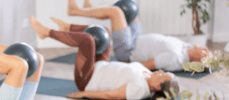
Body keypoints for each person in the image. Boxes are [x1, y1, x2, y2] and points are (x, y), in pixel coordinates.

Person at [30, 16, 180, 100]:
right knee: (105, 33)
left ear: (159, 87)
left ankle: (46, 33)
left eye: (163, 75)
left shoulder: (139, 90)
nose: (160, 71)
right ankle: (68, 27)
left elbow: (111, 95)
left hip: (87, 79)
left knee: (88, 41)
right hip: (100, 65)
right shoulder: (147, 74)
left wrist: (83, 94)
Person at [67, 0, 211, 72]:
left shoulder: (175, 57)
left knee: (116, 12)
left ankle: (75, 11)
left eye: (205, 53)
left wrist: (121, 66)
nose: (205, 49)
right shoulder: (186, 47)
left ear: (197, 59)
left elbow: (148, 66)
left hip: (128, 50)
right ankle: (91, 10)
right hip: (137, 39)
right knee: (131, 7)